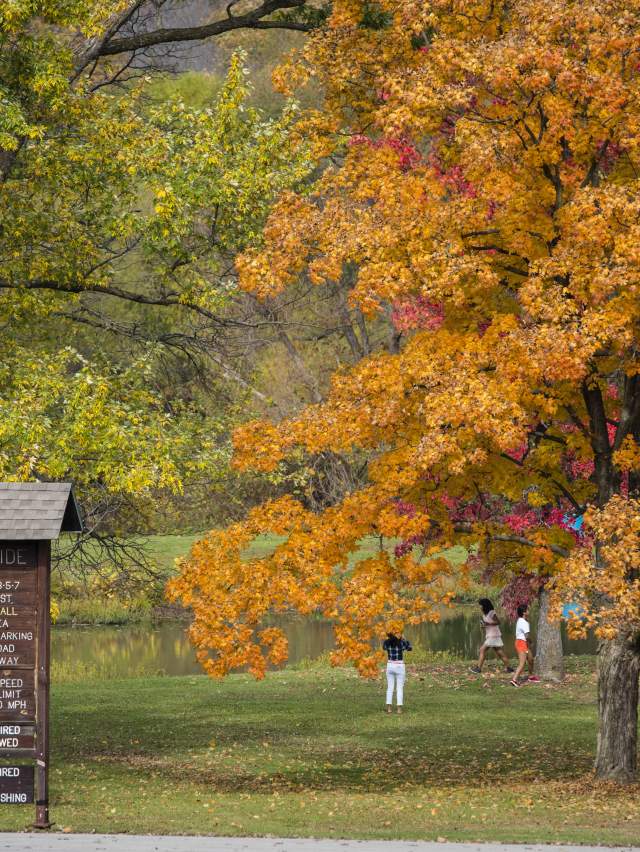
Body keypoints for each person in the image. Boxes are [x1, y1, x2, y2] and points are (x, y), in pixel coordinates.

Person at [469, 598, 514, 674]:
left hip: (493, 635)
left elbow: (498, 622)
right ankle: (509, 668)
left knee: (482, 650)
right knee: (499, 652)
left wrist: (487, 624)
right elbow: (487, 624)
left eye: (481, 605)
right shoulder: (484, 614)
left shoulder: (491, 612)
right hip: (490, 634)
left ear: (485, 605)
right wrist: (483, 626)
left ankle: (478, 668)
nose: (480, 607)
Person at [511, 603, 540, 686]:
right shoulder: (524, 622)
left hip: (522, 643)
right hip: (521, 643)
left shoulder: (521, 620)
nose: (529, 611)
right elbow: (527, 636)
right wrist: (531, 642)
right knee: (522, 663)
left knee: (530, 659)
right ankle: (514, 680)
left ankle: (530, 676)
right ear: (524, 612)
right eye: (528, 610)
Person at [383, 632, 412, 714]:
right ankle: (399, 709)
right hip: (399, 666)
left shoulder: (387, 642)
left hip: (390, 665)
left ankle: (389, 708)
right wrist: (404, 639)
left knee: (390, 687)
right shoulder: (402, 642)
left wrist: (389, 638)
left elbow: (384, 648)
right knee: (399, 688)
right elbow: (409, 648)